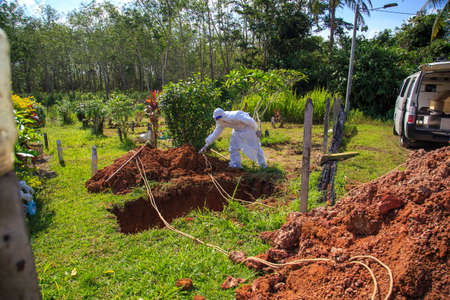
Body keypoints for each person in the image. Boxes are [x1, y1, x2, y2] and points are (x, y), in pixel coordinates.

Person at [199, 108, 267, 168]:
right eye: (216, 118)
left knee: (255, 146)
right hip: (236, 130)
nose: (218, 119)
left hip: (248, 129)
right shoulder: (220, 122)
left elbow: (250, 121)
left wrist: (256, 130)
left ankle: (263, 164)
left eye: (219, 117)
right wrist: (206, 145)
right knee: (233, 148)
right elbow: (215, 134)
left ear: (223, 115)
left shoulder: (235, 115)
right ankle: (236, 164)